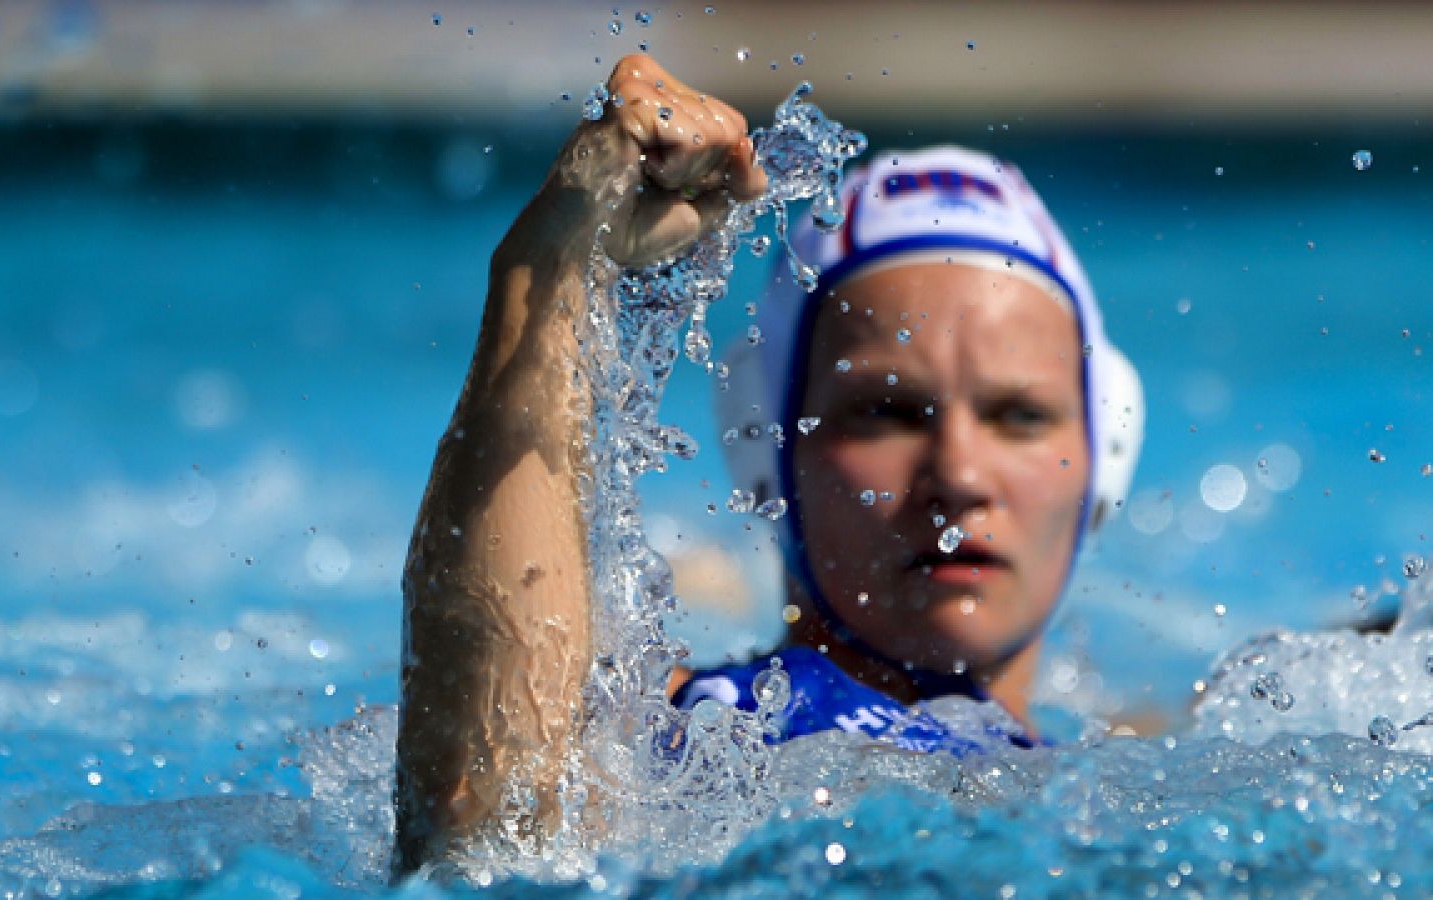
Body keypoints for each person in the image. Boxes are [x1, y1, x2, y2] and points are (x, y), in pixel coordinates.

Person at [394, 55, 1143, 872]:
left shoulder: (1123, 765)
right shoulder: (706, 740)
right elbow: (484, 834)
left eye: (1019, 416)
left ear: (1103, 459)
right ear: (767, 451)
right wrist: (548, 279)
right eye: (887, 412)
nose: (959, 477)